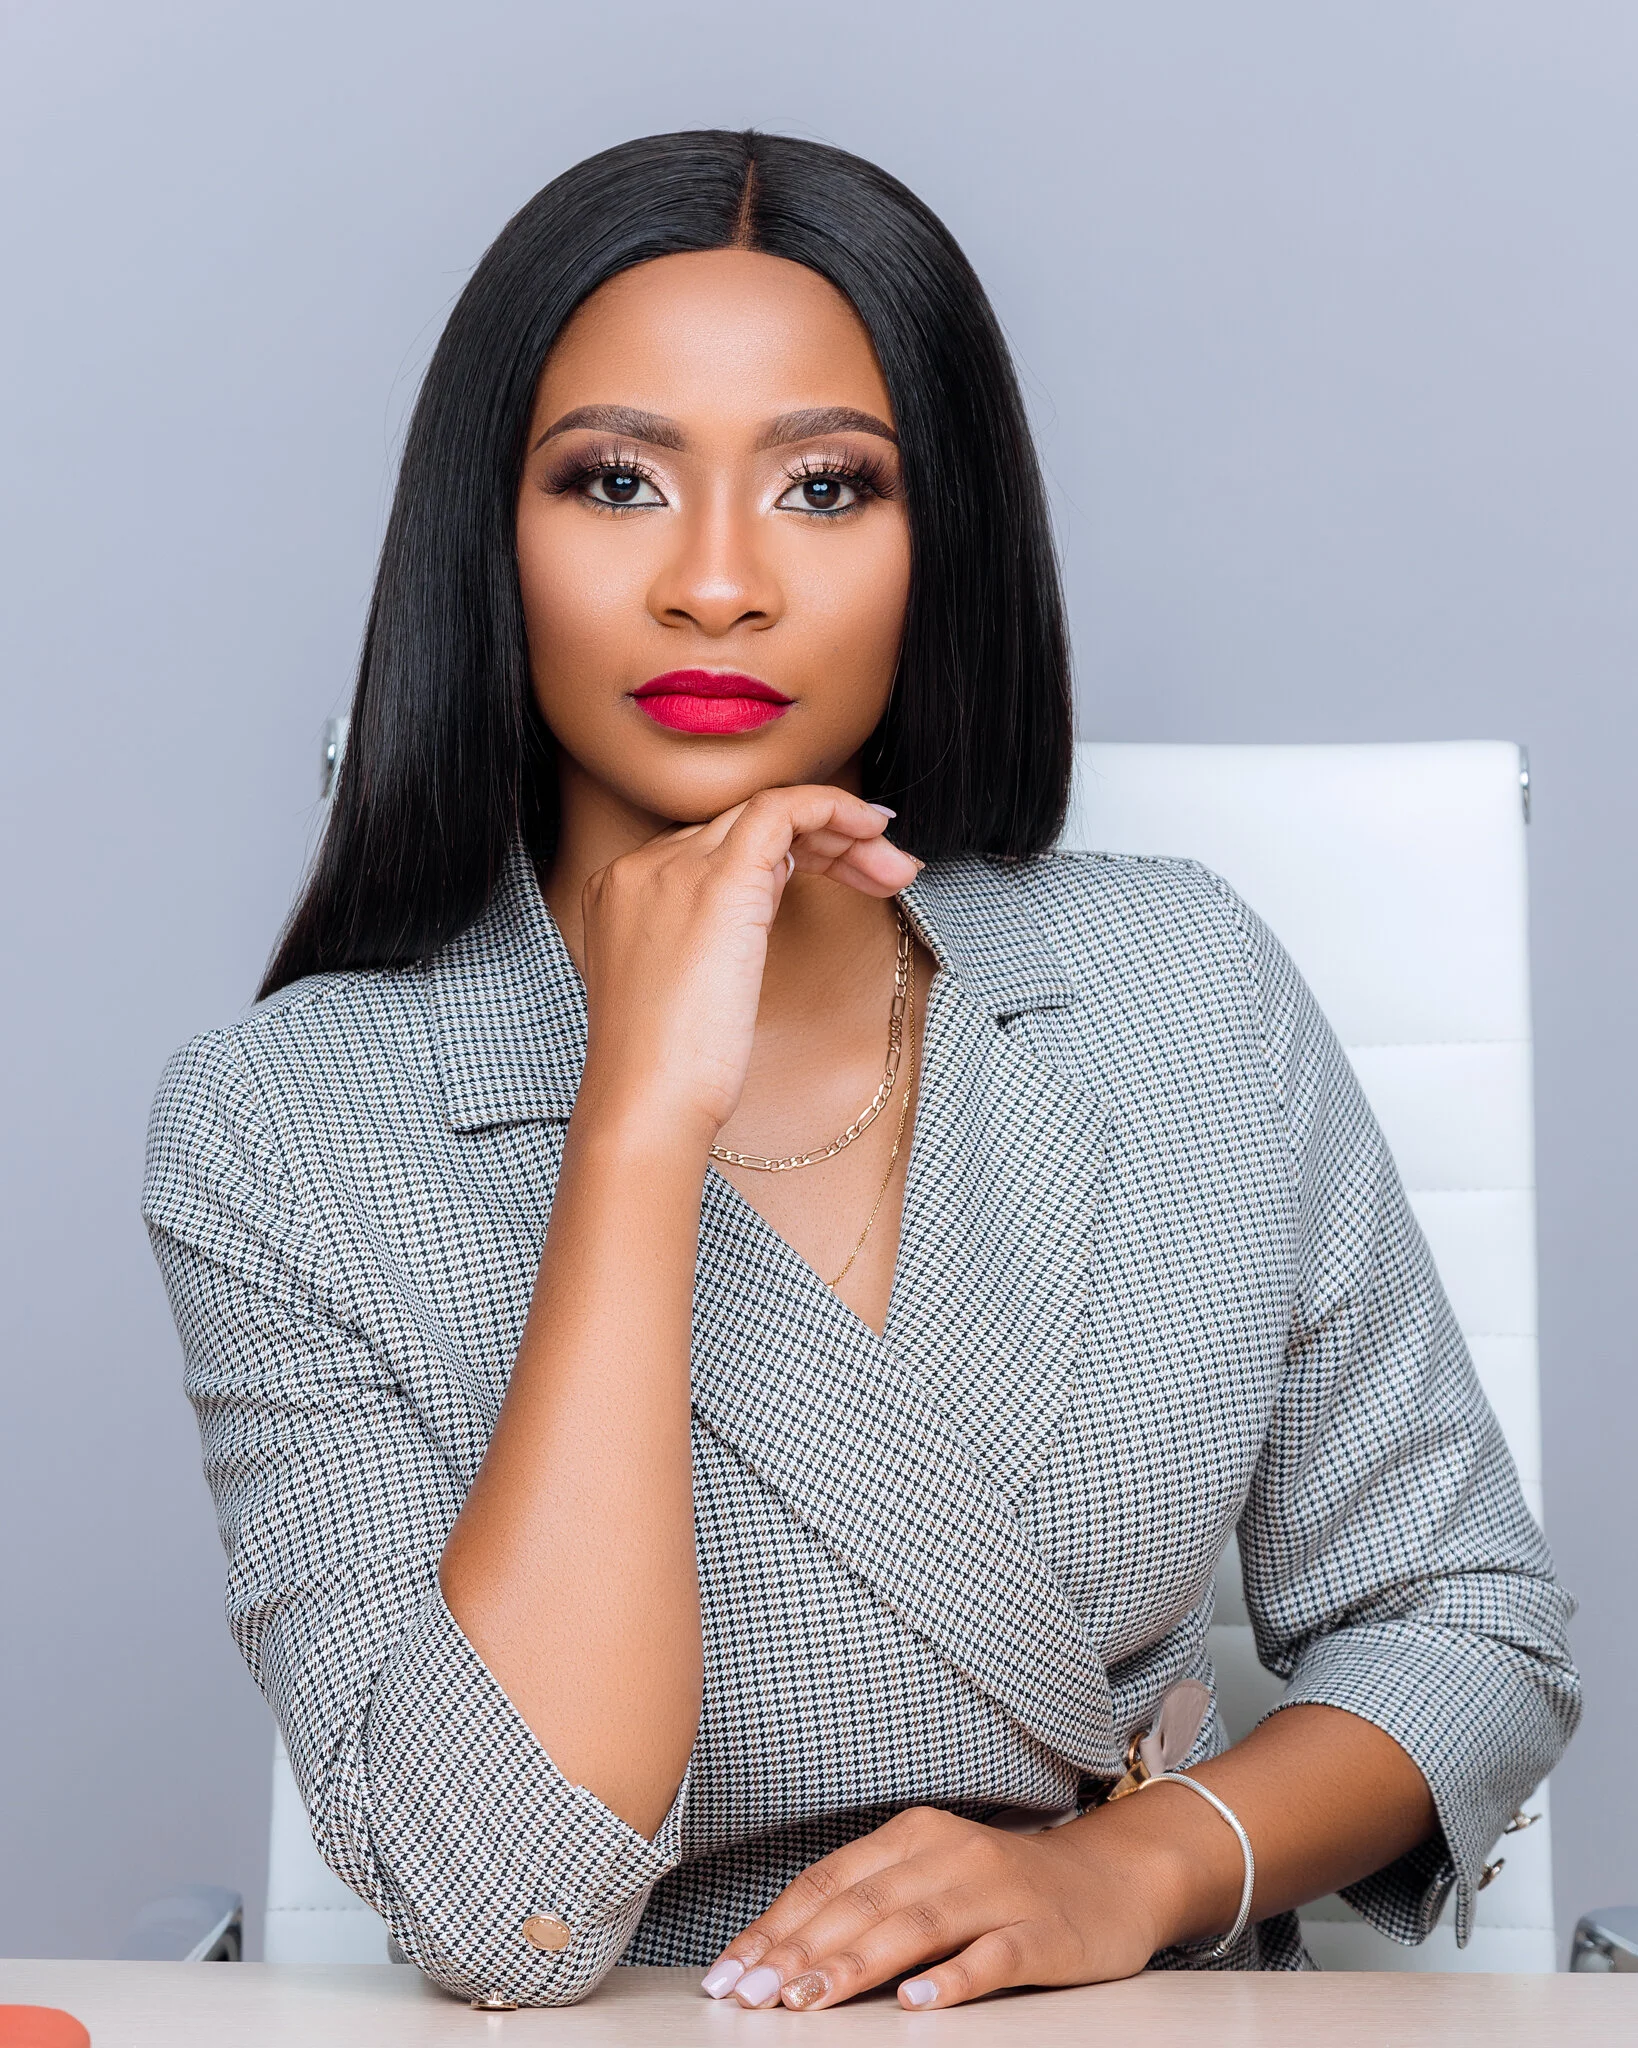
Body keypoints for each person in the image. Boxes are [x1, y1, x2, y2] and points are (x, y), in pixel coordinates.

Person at [143, 130, 1578, 2013]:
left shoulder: (1176, 984)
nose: (717, 584)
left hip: (1132, 2004)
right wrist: (637, 1116)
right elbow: (508, 1912)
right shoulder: (281, 1129)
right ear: (490, 533)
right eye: (614, 480)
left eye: (825, 486)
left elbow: (1467, 1628)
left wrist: (1136, 1868)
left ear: (939, 546)